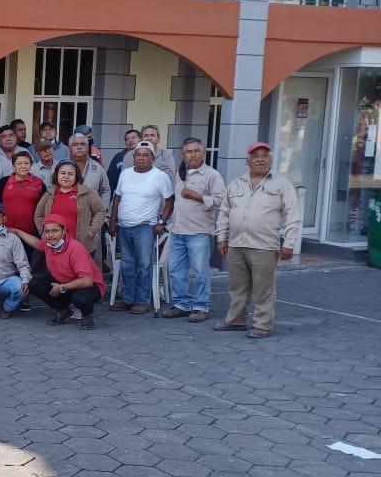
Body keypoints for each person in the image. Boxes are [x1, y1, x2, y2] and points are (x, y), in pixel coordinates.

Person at [214, 143, 301, 339]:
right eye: (255, 156)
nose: (260, 159)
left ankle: (263, 325)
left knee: (263, 289)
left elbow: (292, 215)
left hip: (264, 246)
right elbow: (224, 212)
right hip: (236, 244)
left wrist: (288, 243)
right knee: (237, 287)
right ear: (248, 161)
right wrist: (221, 238)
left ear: (270, 160)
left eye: (264, 156)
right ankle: (236, 320)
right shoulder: (236, 183)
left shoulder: (282, 184)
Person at [162, 137, 226, 323]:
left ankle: (200, 306)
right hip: (178, 230)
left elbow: (222, 201)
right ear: (183, 155)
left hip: (199, 232)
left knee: (200, 272)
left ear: (203, 152)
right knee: (176, 271)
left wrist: (197, 196)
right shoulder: (180, 174)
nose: (192, 154)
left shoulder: (212, 175)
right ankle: (181, 304)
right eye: (188, 152)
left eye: (196, 151)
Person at [109, 141, 174, 315]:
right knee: (128, 264)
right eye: (139, 155)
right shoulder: (126, 173)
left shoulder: (159, 176)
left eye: (146, 155)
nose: (142, 158)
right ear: (134, 157)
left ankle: (143, 301)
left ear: (152, 158)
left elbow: (170, 200)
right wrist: (112, 222)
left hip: (145, 227)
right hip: (124, 227)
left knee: (144, 265)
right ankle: (128, 299)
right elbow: (117, 199)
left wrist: (162, 222)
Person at [22, 215, 106, 330]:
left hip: (89, 285)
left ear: (64, 231)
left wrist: (61, 287)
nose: (50, 235)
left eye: (55, 231)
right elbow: (36, 243)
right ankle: (63, 310)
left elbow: (87, 281)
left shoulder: (75, 249)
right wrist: (16, 231)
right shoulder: (48, 244)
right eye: (47, 232)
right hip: (64, 282)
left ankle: (87, 315)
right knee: (34, 284)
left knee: (81, 298)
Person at [34, 161, 106, 258]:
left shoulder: (87, 192)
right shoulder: (49, 194)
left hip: (82, 246)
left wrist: (92, 230)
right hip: (56, 246)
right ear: (57, 175)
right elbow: (38, 215)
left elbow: (100, 210)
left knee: (82, 272)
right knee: (58, 272)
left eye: (71, 174)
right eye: (63, 173)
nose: (66, 176)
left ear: (76, 176)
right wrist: (43, 233)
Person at [0, 151, 47, 254]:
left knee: (27, 265)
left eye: (26, 163)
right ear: (13, 166)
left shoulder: (39, 183)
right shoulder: (4, 182)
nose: (23, 166)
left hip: (30, 235)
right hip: (5, 233)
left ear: (31, 165)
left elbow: (45, 208)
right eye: (19, 163)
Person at [69, 132, 111, 208]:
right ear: (70, 148)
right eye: (75, 144)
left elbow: (105, 191)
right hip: (68, 214)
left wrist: (103, 211)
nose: (79, 147)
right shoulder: (62, 167)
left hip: (92, 215)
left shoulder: (98, 168)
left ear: (88, 147)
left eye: (82, 144)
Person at [107, 128, 141, 195]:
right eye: (127, 139)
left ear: (141, 139)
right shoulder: (118, 157)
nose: (130, 140)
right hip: (122, 194)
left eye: (133, 137)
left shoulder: (148, 155)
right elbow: (110, 178)